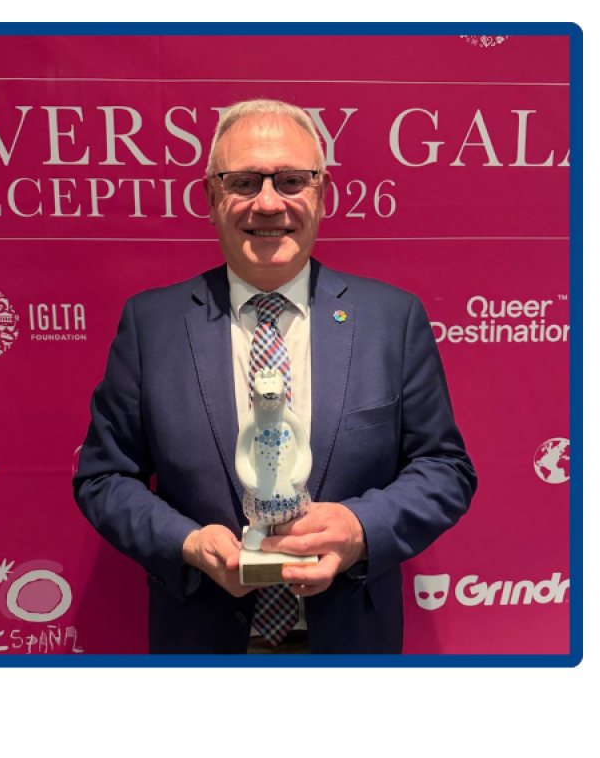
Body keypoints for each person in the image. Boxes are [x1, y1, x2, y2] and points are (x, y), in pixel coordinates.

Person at [73, 100, 476, 655]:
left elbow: (445, 470)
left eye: (291, 181)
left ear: (322, 194)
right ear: (211, 198)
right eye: (243, 182)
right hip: (202, 643)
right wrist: (188, 543)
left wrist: (359, 529)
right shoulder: (151, 324)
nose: (267, 203)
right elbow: (103, 478)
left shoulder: (392, 319)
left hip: (352, 642)